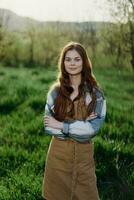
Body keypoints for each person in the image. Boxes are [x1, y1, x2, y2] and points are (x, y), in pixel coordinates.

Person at [42, 41, 106, 200]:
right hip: (58, 158)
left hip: (83, 160)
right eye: (68, 59)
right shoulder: (55, 92)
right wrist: (80, 125)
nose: (72, 63)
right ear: (62, 63)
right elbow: (50, 127)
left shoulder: (96, 95)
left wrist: (62, 125)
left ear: (84, 62)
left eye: (77, 59)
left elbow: (92, 130)